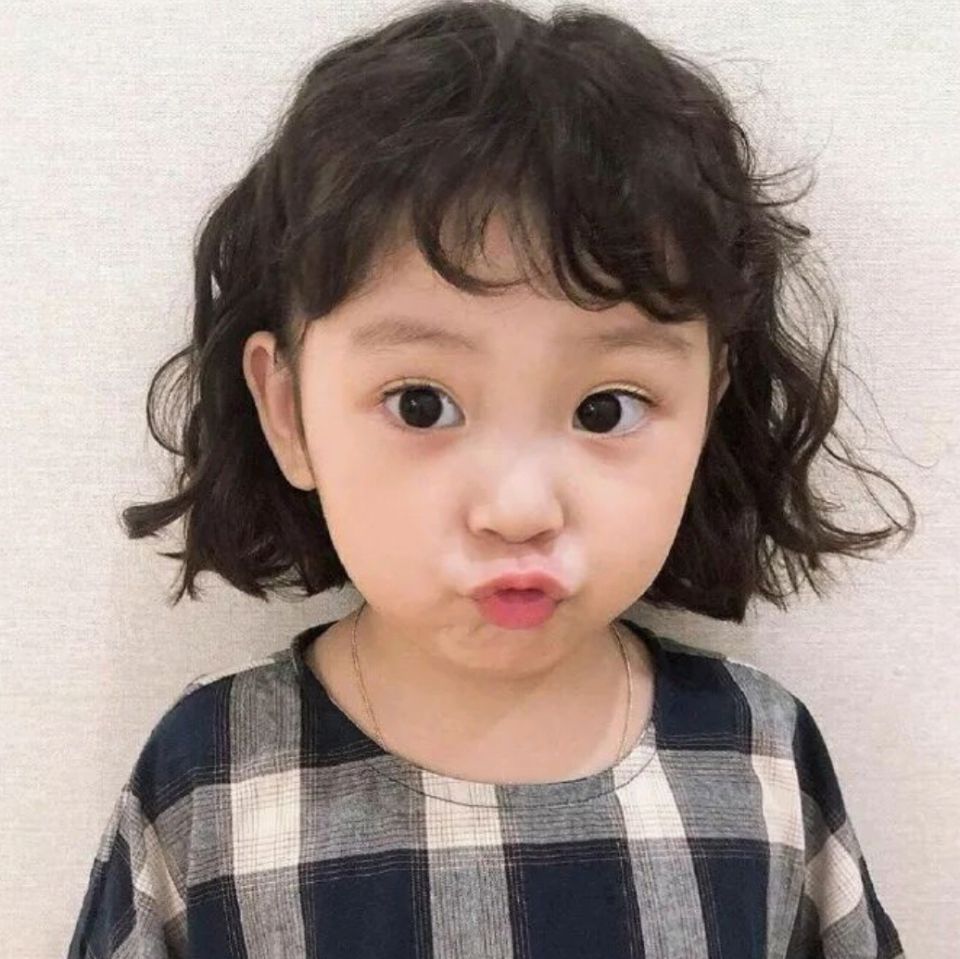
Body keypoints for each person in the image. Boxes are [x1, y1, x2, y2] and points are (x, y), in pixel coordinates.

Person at [67, 1, 916, 956]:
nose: (519, 508)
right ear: (288, 410)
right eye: (421, 403)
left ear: (708, 405)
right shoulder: (209, 776)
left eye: (607, 409)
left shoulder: (759, 754)